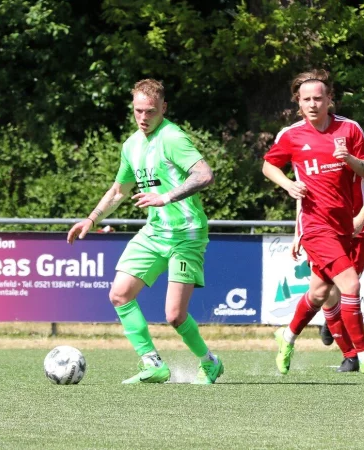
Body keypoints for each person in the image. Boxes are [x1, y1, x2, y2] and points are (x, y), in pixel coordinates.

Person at [66, 79, 224, 384]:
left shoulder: (173, 137)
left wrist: (166, 197)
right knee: (120, 294)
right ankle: (152, 364)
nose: (143, 117)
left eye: (150, 111)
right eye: (138, 110)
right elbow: (118, 190)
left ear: (163, 108)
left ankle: (209, 362)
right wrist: (92, 219)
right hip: (154, 232)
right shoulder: (131, 145)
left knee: (174, 316)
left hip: (186, 235)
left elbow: (205, 175)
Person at [262, 69, 364, 375]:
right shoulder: (291, 135)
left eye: (318, 98)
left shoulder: (349, 129)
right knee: (350, 283)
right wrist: (288, 185)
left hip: (344, 226)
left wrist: (349, 159)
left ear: (329, 99)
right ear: (298, 102)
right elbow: (269, 165)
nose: (312, 104)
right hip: (316, 226)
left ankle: (288, 334)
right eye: (306, 99)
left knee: (320, 293)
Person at [293, 169, 364, 373]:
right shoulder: (316, 153)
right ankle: (350, 356)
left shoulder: (359, 153)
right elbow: (303, 193)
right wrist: (297, 232)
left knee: (347, 288)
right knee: (325, 292)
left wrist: (360, 218)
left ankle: (340, 331)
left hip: (357, 233)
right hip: (323, 230)